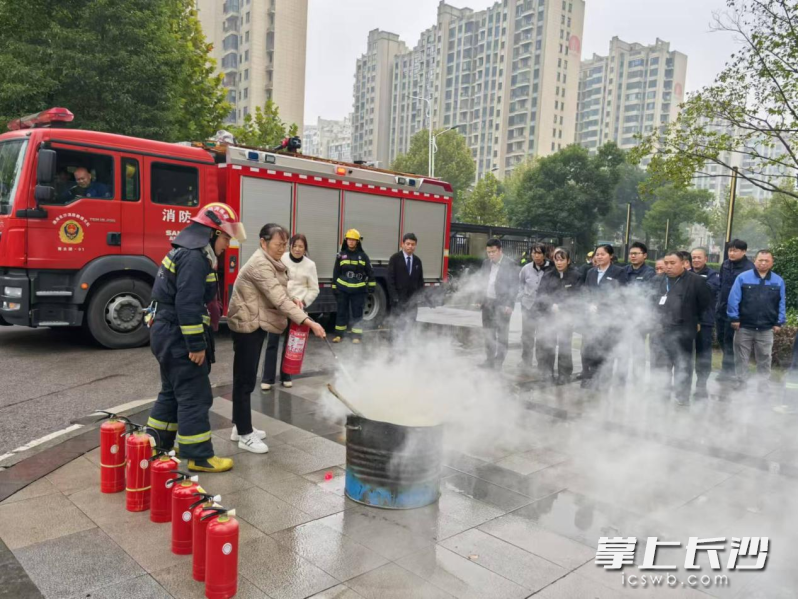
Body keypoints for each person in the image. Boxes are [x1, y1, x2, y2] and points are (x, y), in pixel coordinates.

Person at [146, 202, 245, 473]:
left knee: (172, 392)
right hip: (178, 335)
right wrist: (196, 345)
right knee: (195, 395)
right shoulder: (194, 259)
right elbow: (187, 305)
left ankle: (155, 444)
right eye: (225, 237)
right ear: (212, 234)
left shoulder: (186, 253)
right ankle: (199, 456)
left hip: (165, 332)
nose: (227, 244)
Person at [228, 224, 327, 453]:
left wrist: (295, 300)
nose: (282, 249)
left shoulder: (271, 260)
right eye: (278, 244)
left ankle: (239, 426)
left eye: (285, 244)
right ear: (263, 242)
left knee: (246, 378)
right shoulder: (260, 264)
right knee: (244, 380)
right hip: (247, 324)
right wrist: (309, 322)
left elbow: (282, 293)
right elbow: (277, 298)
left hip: (255, 321)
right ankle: (244, 434)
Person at [651, 252, 711, 405]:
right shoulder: (657, 280)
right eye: (666, 263)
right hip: (660, 330)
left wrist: (695, 321)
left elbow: (706, 304)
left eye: (672, 263)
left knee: (683, 365)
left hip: (683, 331)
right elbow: (650, 302)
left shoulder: (696, 281)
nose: (668, 266)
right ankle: (661, 395)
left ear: (683, 263)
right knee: (661, 364)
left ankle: (682, 397)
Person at [260, 233, 319, 391]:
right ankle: (267, 378)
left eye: (301, 246)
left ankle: (286, 375)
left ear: (305, 248)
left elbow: (314, 288)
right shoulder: (282, 258)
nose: (297, 249)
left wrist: (304, 302)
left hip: (296, 310)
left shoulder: (310, 265)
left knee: (290, 344)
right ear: (290, 246)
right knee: (272, 342)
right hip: (278, 305)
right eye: (295, 246)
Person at [727, 249, 786, 392]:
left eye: (767, 260)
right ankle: (741, 382)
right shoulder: (743, 277)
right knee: (741, 357)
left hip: (766, 328)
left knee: (765, 357)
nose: (763, 263)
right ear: (755, 261)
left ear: (772, 263)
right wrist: (734, 318)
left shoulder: (778, 281)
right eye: (760, 260)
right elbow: (734, 299)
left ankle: (763, 384)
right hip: (744, 326)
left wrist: (779, 321)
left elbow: (781, 302)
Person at [581, 244, 627, 388]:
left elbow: (621, 295)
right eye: (597, 254)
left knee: (606, 351)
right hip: (592, 319)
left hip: (610, 319)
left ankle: (604, 381)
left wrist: (601, 306)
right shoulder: (591, 272)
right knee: (592, 350)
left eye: (602, 254)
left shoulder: (619, 272)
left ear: (610, 256)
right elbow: (587, 292)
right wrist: (589, 304)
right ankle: (593, 378)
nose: (599, 257)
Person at [536, 247, 581, 384]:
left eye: (562, 259)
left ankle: (564, 374)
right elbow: (540, 295)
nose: (559, 263)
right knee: (547, 344)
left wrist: (562, 307)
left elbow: (578, 297)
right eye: (556, 259)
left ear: (568, 260)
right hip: (549, 316)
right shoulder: (548, 274)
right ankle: (546, 372)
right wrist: (550, 306)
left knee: (564, 345)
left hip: (566, 317)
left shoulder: (576, 275)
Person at [716, 239, 754, 381]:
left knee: (731, 341)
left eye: (735, 250)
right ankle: (729, 368)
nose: (731, 253)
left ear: (744, 252)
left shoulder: (749, 268)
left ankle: (729, 371)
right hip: (721, 308)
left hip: (737, 311)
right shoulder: (725, 264)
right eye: (730, 250)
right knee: (721, 337)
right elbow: (720, 285)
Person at [479, 238, 519, 370]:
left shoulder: (510, 264)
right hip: (487, 304)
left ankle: (498, 362)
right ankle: (489, 360)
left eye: (493, 252)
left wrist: (510, 305)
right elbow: (482, 281)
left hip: (502, 305)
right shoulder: (486, 263)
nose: (491, 255)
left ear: (500, 250)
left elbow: (514, 286)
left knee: (502, 335)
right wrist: (480, 298)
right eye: (488, 252)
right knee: (488, 333)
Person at [332, 229, 375, 344]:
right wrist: (334, 286)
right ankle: (339, 335)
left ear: (357, 242)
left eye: (354, 240)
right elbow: (336, 272)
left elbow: (370, 272)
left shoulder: (363, 256)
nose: (351, 242)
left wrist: (371, 286)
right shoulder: (341, 255)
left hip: (358, 289)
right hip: (342, 288)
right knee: (341, 311)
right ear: (346, 241)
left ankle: (356, 335)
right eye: (349, 239)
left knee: (357, 312)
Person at [691, 247, 720, 399]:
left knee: (703, 355)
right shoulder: (686, 274)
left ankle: (701, 385)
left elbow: (707, 291)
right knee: (685, 353)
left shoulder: (713, 275)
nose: (696, 260)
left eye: (699, 257)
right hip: (688, 321)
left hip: (705, 321)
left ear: (705, 259)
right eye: (693, 257)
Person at [518, 243, 552, 368]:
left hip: (544, 308)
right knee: (527, 336)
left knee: (542, 337)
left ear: (544, 254)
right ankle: (526, 361)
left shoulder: (552, 268)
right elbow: (520, 284)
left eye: (539, 253)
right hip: (528, 307)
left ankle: (541, 363)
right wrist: (522, 296)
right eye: (534, 253)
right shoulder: (526, 268)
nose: (536, 256)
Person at [386, 233, 424, 336]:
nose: (410, 246)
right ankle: (395, 346)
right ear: (402, 244)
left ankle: (408, 345)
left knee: (410, 324)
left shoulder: (417, 261)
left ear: (415, 245)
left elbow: (420, 281)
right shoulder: (394, 259)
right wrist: (394, 297)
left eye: (413, 244)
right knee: (397, 324)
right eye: (408, 244)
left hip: (412, 301)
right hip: (398, 299)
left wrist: (420, 297)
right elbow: (390, 280)